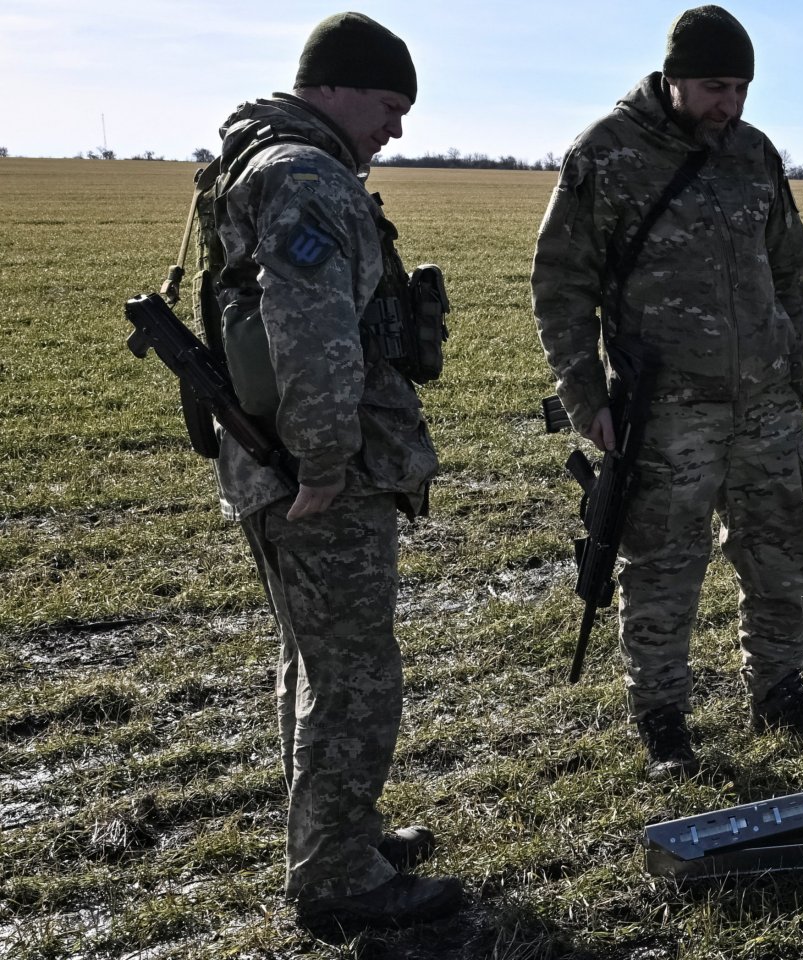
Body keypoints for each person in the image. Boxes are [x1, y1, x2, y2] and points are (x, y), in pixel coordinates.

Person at [206, 12, 461, 930]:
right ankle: (340, 881)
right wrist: (322, 462)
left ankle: (337, 838)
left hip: (269, 460)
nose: (397, 128)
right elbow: (310, 336)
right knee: (354, 677)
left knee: (312, 663)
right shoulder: (305, 175)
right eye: (388, 105)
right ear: (335, 87)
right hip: (316, 471)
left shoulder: (255, 161)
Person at [532, 5, 803, 778]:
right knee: (662, 567)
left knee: (782, 557)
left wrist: (795, 363)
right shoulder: (606, 153)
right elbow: (561, 285)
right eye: (716, 86)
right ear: (674, 78)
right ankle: (662, 717)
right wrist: (585, 395)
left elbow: (790, 266)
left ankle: (781, 690)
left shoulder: (754, 153)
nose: (731, 103)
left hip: (765, 404)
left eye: (742, 89)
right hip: (666, 408)